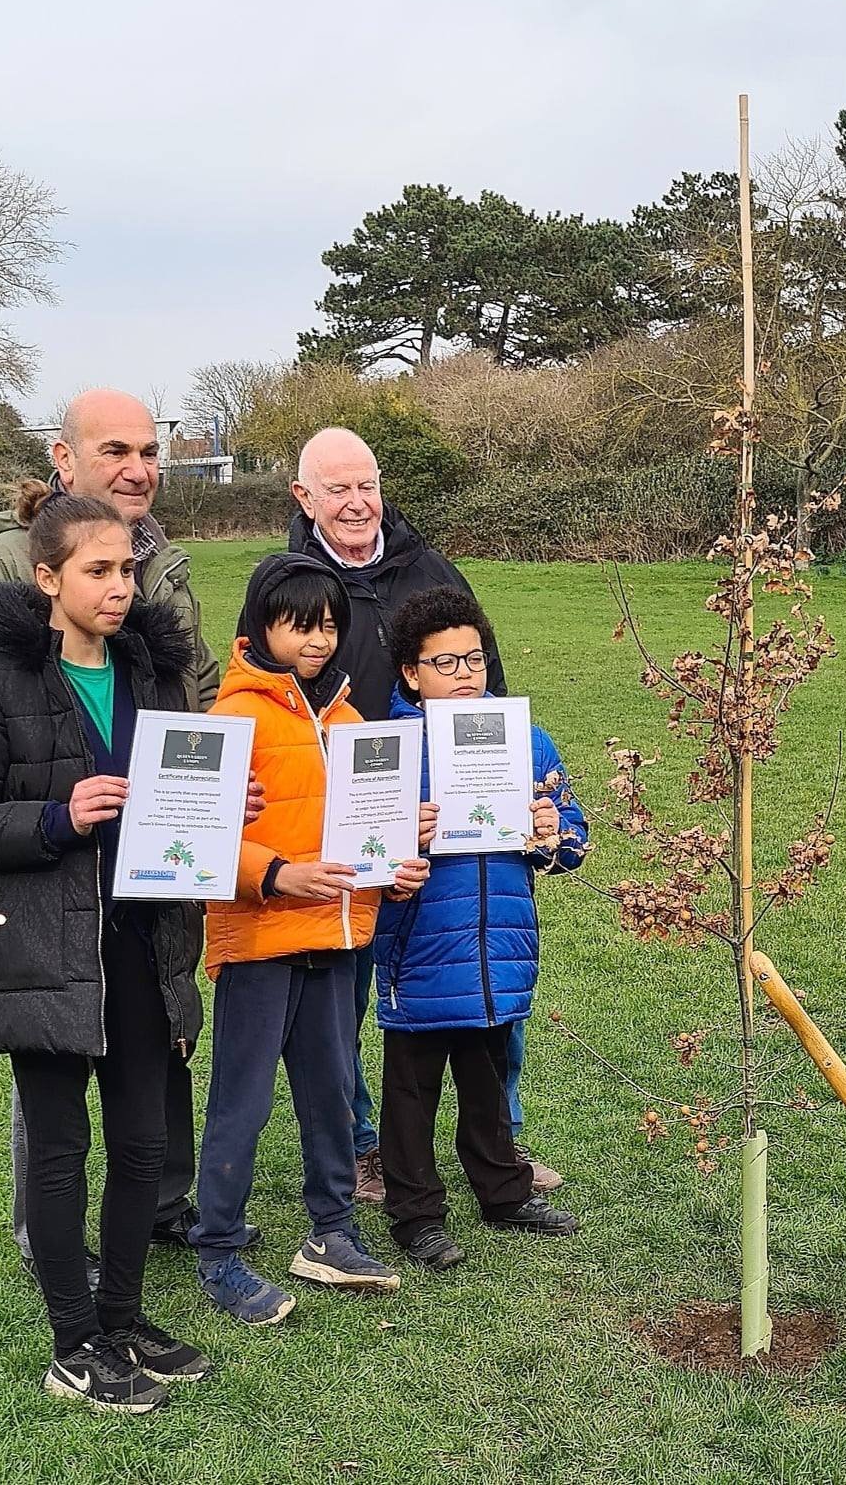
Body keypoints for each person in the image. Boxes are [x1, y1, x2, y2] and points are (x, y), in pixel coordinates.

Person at [0, 486, 209, 1413]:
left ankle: (120, 1321)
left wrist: (218, 810)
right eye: (98, 571)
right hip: (41, 952)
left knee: (139, 1143)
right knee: (59, 1150)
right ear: (47, 578)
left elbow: (176, 801)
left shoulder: (155, 674)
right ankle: (74, 1345)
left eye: (128, 568)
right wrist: (57, 816)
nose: (120, 588)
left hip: (140, 946)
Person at [0, 388, 226, 1274]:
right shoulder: (5, 565)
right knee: (60, 1083)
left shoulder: (163, 569)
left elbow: (199, 692)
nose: (138, 467)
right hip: (56, 883)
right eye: (115, 450)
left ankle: (151, 1219)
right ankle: (57, 1253)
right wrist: (67, 805)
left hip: (151, 875)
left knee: (151, 1061)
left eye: (149, 450)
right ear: (65, 459)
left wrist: (216, 787)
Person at [287, 428, 561, 1200]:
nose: (355, 502)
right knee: (383, 1023)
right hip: (370, 825)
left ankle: (501, 1152)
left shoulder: (430, 568)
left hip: (484, 884)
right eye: (335, 489)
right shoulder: (291, 582)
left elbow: (502, 711)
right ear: (304, 499)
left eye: (365, 484)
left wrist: (542, 822)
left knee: (490, 1023)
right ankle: (373, 1154)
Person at [190, 553, 429, 1324]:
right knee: (242, 1103)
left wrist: (395, 867)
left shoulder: (357, 727)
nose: (320, 639)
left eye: (330, 624)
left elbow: (369, 841)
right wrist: (275, 874)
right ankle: (218, 1248)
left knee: (331, 1098)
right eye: (301, 623)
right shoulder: (232, 719)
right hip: (260, 944)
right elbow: (190, 843)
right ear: (262, 627)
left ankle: (331, 1233)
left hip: (337, 941)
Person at [371, 586, 586, 1269]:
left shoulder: (525, 737)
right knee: (413, 1087)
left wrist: (554, 832)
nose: (465, 675)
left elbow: (574, 842)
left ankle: (502, 1191)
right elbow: (355, 849)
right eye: (445, 663)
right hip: (421, 944)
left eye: (474, 659)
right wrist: (402, 833)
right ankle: (414, 1213)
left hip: (500, 945)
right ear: (410, 672)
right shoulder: (386, 745)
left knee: (490, 1072)